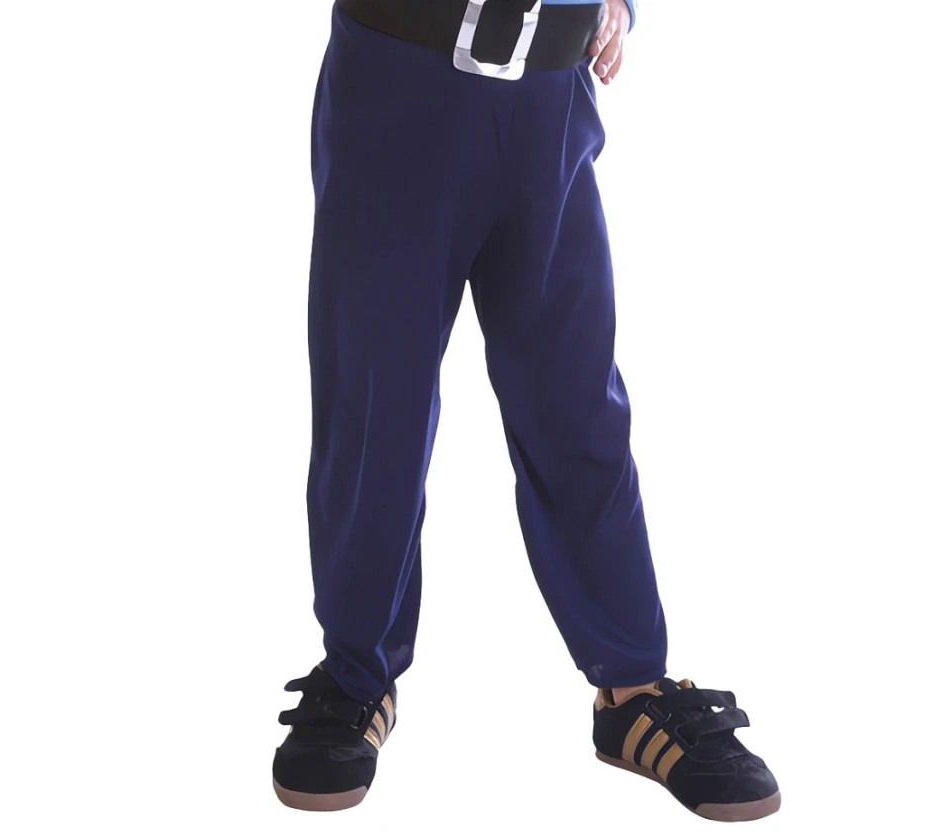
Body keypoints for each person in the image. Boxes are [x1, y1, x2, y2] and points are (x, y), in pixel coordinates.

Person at [272, 0, 780, 821]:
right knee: (376, 401)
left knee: (577, 403)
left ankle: (633, 692)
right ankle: (355, 677)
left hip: (551, 89)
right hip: (401, 75)